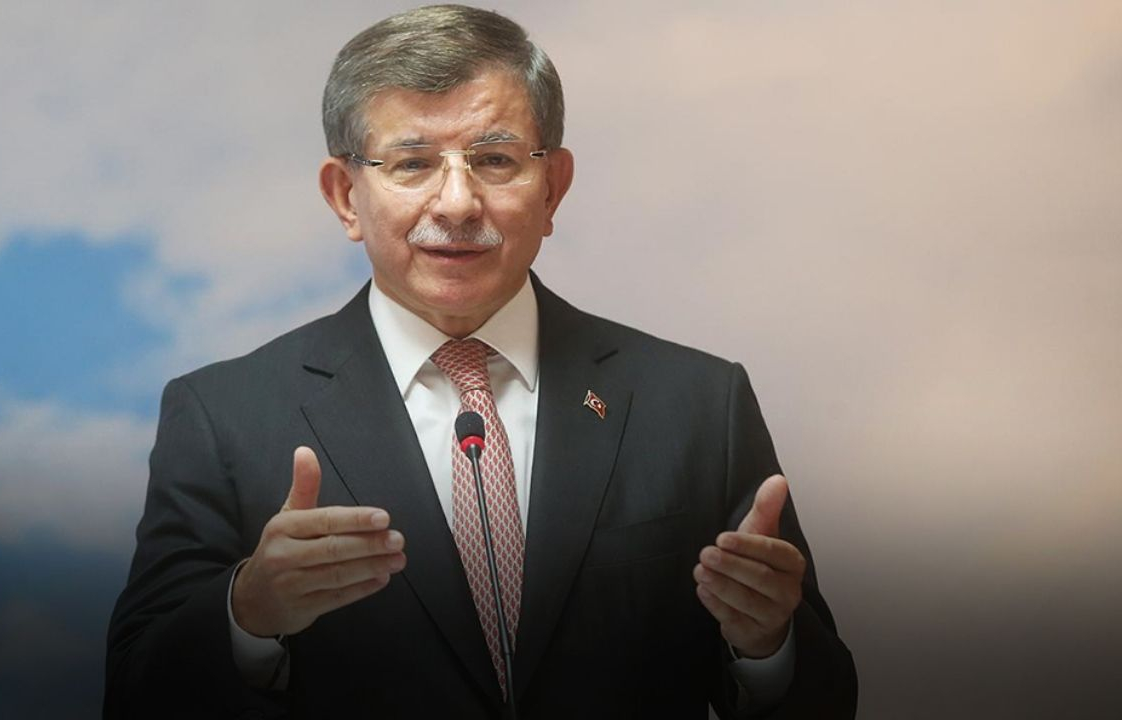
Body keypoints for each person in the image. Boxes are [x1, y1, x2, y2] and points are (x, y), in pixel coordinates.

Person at [105, 5, 857, 718]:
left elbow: (825, 698)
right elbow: (136, 693)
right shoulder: (224, 416)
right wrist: (248, 613)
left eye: (496, 160)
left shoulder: (697, 404)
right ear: (345, 196)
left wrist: (766, 647)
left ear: (553, 187)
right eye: (412, 163)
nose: (458, 204)